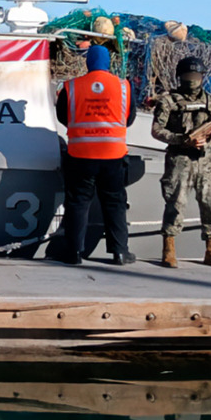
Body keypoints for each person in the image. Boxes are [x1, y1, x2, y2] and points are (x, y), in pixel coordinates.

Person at [55, 44, 137, 264]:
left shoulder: (71, 87)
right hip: (114, 155)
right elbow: (129, 119)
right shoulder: (123, 87)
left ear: (87, 62)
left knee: (78, 203)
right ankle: (120, 252)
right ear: (108, 63)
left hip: (80, 154)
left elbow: (64, 116)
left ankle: (73, 252)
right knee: (115, 203)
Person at [151, 54, 211, 268]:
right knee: (175, 203)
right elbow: (157, 130)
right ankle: (169, 250)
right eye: (188, 75)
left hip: (207, 161)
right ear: (180, 76)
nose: (192, 79)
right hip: (179, 159)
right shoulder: (168, 101)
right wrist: (182, 140)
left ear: (203, 77)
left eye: (195, 75)